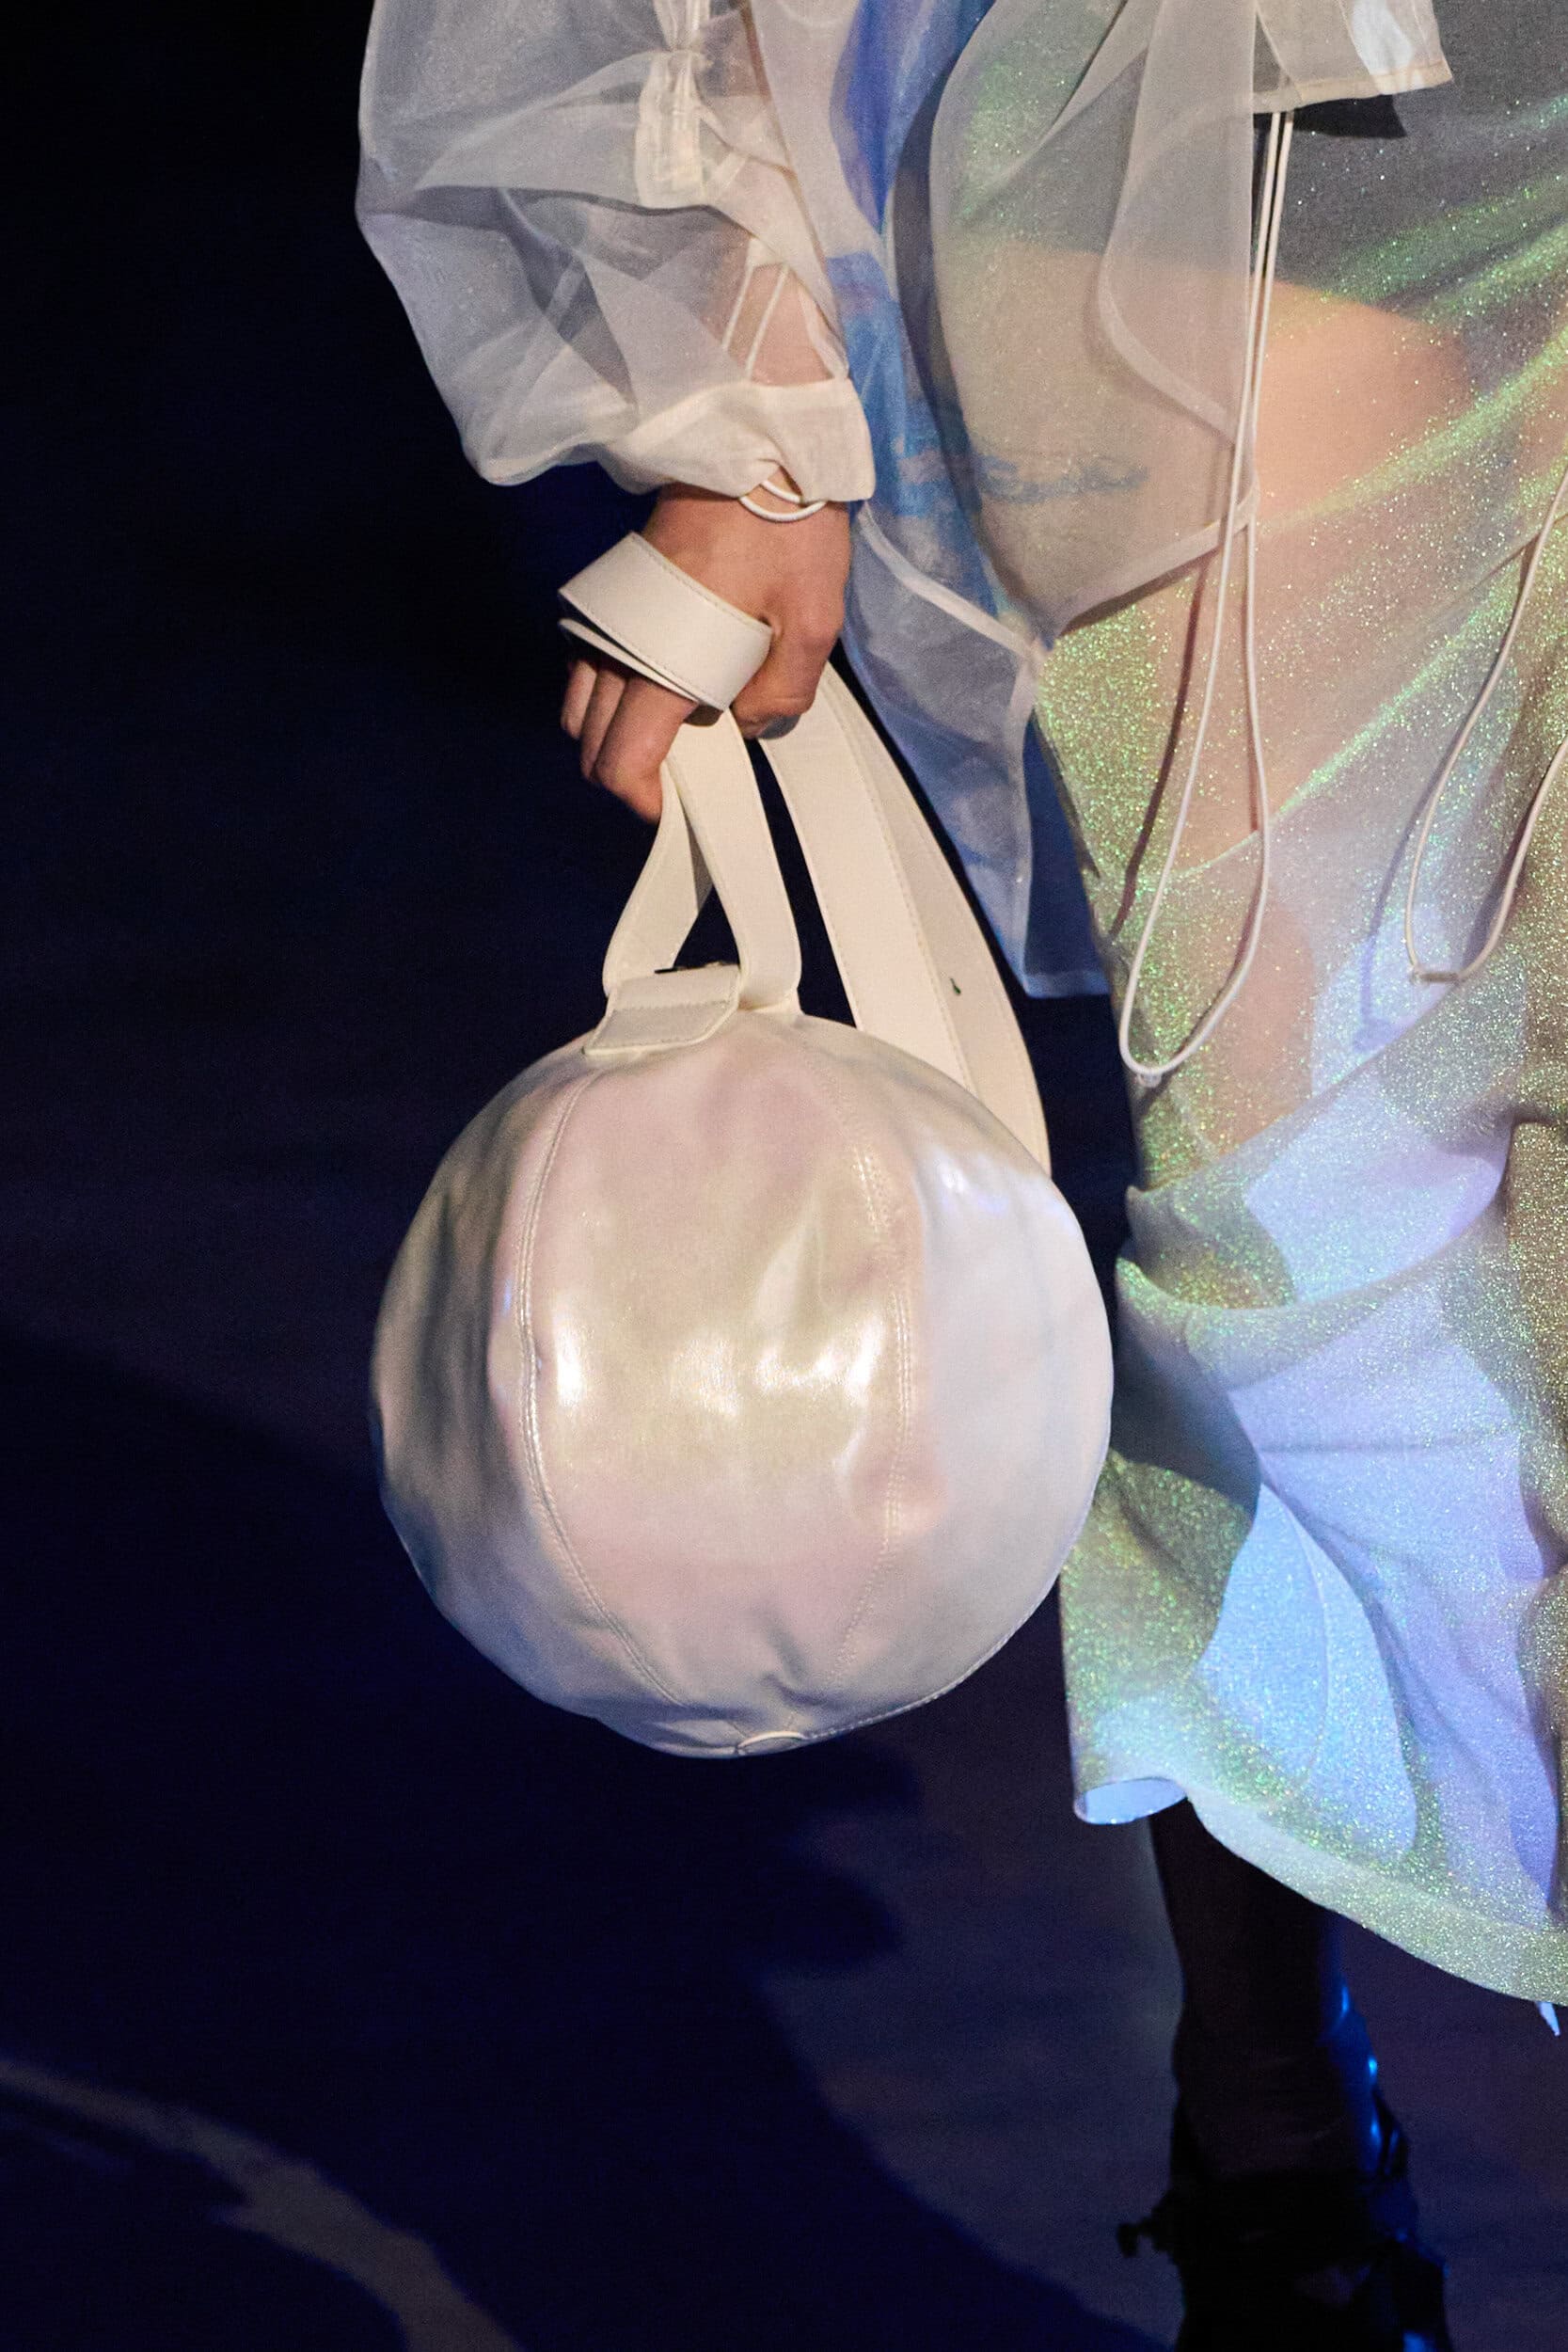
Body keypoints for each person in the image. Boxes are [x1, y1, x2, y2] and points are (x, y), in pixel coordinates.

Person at [356, 4, 1568, 2343]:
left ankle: (1284, 2158)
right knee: (1313, 1227)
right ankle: (1279, 2147)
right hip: (1266, 133)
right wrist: (734, 388)